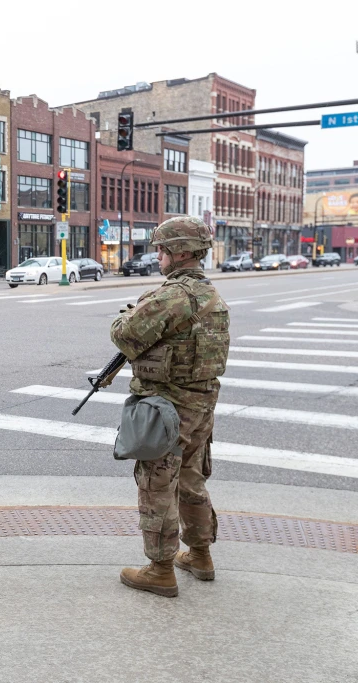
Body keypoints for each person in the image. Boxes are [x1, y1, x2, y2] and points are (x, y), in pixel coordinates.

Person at [109, 216, 230, 598]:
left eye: (161, 249)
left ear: (180, 252)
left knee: (156, 481)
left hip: (168, 406)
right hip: (201, 402)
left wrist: (127, 314)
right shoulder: (210, 295)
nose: (157, 255)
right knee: (192, 478)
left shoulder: (173, 295)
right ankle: (199, 554)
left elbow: (124, 334)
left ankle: (160, 569)